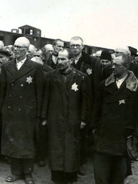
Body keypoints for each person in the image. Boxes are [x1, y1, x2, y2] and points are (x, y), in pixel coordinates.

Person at [91, 54, 138, 184]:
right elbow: (96, 110)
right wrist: (93, 128)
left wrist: (136, 138)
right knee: (101, 176)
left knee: (117, 177)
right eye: (112, 64)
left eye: (116, 65)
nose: (112, 67)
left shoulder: (137, 88)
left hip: (122, 138)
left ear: (126, 66)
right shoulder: (103, 85)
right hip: (103, 137)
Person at [41, 48, 91, 184]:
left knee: (71, 150)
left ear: (70, 60)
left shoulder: (81, 77)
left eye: (63, 59)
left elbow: (85, 101)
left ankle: (69, 179)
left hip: (72, 121)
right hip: (55, 119)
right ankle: (57, 179)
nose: (60, 61)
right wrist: (44, 117)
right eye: (59, 58)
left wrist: (83, 119)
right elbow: (45, 97)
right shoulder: (50, 76)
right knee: (55, 148)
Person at [0, 37, 44, 184]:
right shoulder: (7, 66)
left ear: (27, 50)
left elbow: (40, 93)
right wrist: (1, 109)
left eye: (19, 47)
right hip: (10, 111)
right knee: (12, 143)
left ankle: (28, 173)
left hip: (27, 113)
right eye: (15, 47)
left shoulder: (35, 67)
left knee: (27, 143)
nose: (16, 50)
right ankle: (15, 172)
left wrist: (38, 114)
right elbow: (2, 91)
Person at [69, 36, 94, 175]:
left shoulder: (91, 62)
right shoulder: (67, 60)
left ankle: (81, 163)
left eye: (77, 45)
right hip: (69, 104)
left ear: (82, 47)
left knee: (82, 136)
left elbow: (95, 87)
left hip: (84, 104)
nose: (75, 48)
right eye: (72, 45)